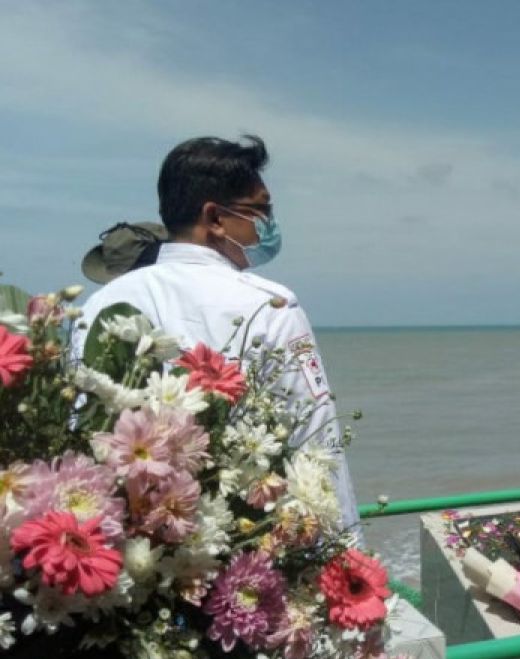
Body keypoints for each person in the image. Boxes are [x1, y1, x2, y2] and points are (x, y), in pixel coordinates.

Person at [77, 135, 359, 534]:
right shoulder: (270, 304)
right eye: (261, 210)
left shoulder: (101, 303)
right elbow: (315, 438)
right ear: (214, 218)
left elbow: (81, 429)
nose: (269, 224)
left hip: (128, 540)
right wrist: (346, 548)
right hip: (242, 537)